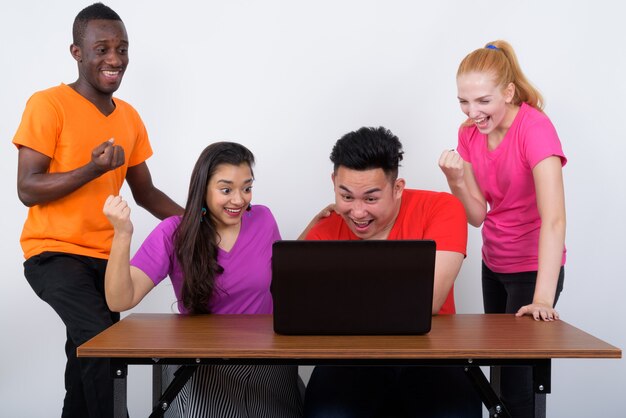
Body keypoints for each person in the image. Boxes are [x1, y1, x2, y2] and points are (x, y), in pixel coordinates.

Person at [12, 3, 183, 417]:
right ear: (77, 52)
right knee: (104, 345)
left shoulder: (129, 118)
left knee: (84, 360)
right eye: (102, 48)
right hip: (53, 256)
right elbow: (27, 188)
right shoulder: (47, 104)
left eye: (122, 49)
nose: (114, 59)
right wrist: (92, 168)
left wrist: (201, 221)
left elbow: (146, 193)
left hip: (106, 264)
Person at [103, 142, 303, 418]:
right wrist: (122, 234)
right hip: (203, 367)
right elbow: (120, 299)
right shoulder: (174, 232)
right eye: (226, 189)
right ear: (203, 189)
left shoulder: (264, 219)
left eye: (247, 188)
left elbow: (286, 279)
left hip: (266, 364)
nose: (239, 199)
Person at [303, 126, 481, 418]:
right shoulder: (324, 228)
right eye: (346, 197)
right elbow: (303, 305)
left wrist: (342, 301)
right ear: (334, 182)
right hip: (349, 358)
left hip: (431, 354)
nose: (358, 212)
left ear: (397, 188)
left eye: (371, 199)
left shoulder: (442, 208)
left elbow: (429, 301)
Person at [438, 40, 566, 418]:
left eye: (483, 101)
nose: (473, 112)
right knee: (498, 375)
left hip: (532, 269)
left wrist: (542, 298)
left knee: (518, 382)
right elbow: (477, 214)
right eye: (464, 101)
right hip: (494, 263)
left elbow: (555, 217)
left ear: (508, 92)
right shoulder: (469, 132)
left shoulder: (535, 129)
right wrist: (455, 180)